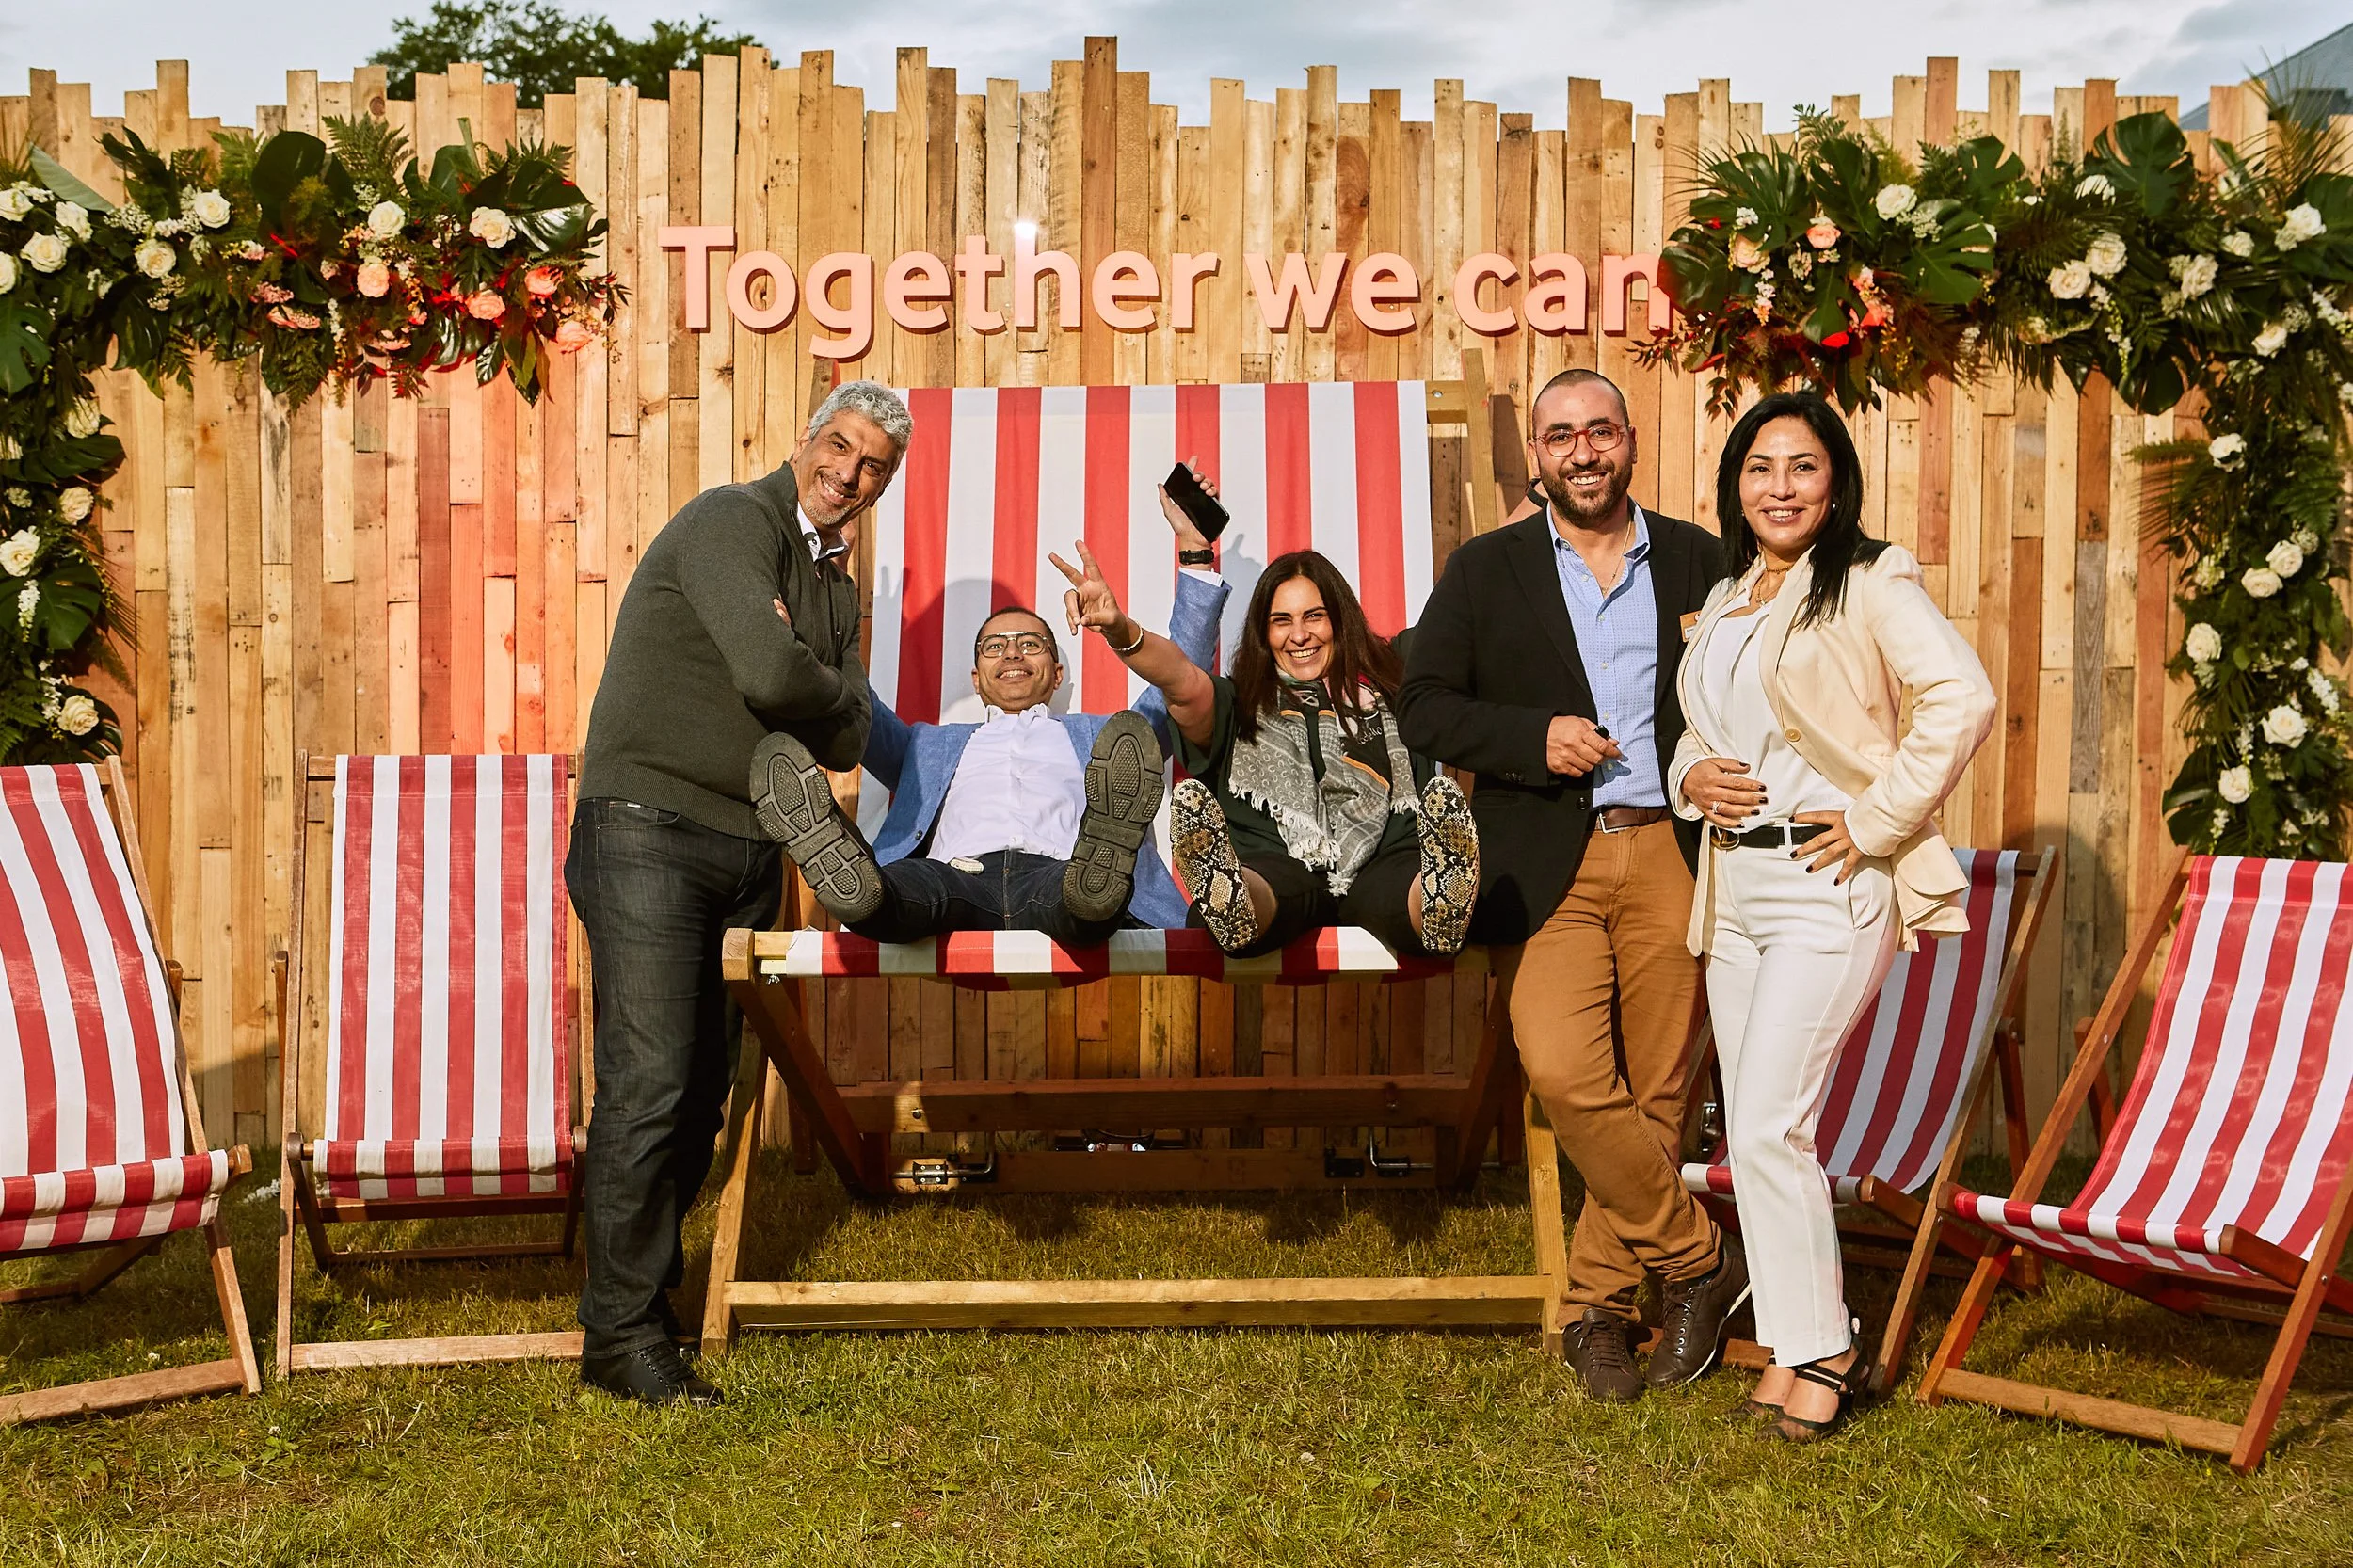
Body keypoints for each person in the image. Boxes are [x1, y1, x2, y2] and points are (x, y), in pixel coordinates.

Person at [1397, 367, 1746, 1403]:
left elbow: (1752, 689)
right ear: (1540, 457)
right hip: (1547, 856)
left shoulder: (1700, 560)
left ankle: (1594, 1310)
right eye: (1561, 437)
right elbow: (1422, 704)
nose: (1583, 452)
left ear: (1629, 441)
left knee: (1660, 1093)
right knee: (1560, 1067)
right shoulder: (1484, 568)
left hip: (1673, 847)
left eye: (1600, 432)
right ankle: (1699, 1259)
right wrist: (1529, 737)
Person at [565, 379, 911, 1408]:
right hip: (649, 827)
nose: (849, 473)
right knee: (649, 1081)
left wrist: (816, 677)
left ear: (884, 483)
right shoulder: (731, 520)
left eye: (873, 465)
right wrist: (815, 676)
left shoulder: (837, 586)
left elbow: (847, 737)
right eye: (839, 446)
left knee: (705, 1089)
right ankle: (620, 1336)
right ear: (805, 439)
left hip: (752, 844)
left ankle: (640, 1298)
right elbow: (769, 674)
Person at [1672, 390, 1994, 1443]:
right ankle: (1791, 1340)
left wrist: (1875, 818)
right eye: (1759, 468)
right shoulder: (1728, 595)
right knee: (1753, 1129)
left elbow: (1963, 697)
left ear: (1836, 481)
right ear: (1735, 485)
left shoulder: (1868, 579)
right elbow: (1700, 728)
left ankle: (1826, 1350)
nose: (1780, 488)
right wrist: (1690, 778)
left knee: (1773, 1121)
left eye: (1802, 467)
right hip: (1734, 889)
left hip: (1826, 885)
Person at [753, 471, 1232, 940]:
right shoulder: (926, 747)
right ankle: (866, 889)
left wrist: (1195, 554)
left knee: (1080, 894)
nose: (1013, 653)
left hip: (1061, 872)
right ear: (977, 681)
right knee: (907, 888)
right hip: (954, 875)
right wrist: (817, 609)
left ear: (1056, 674)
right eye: (995, 647)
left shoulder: (1109, 740)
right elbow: (851, 705)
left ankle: (1096, 883)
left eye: (1031, 644)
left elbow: (1182, 681)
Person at [1056, 540, 1478, 960]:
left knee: (1407, 887)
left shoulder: (1397, 673)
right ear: (1264, 632)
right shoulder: (1236, 703)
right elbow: (1180, 678)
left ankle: (1442, 897)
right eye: (1282, 621)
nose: (1299, 635)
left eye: (1314, 616)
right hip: (1277, 864)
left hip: (1388, 856)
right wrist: (1121, 631)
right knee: (1260, 886)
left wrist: (1522, 518)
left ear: (1340, 619)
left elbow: (1467, 604)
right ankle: (1229, 898)